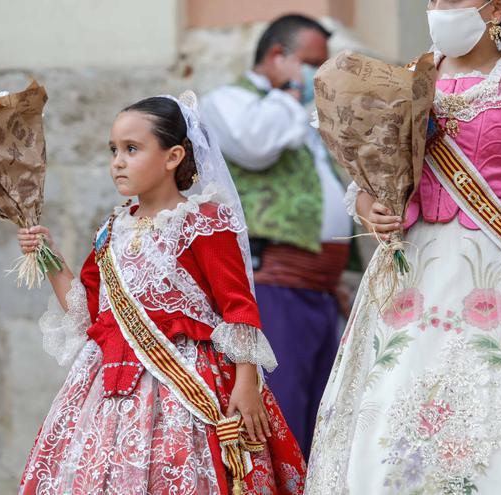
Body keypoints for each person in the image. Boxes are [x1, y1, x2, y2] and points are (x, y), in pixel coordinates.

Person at [304, 1, 501, 493]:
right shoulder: (407, 81)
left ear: (496, 9)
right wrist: (367, 206)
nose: (440, 9)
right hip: (413, 272)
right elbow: (377, 177)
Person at [16, 93, 306, 495]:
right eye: (113, 150)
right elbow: (90, 314)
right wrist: (48, 258)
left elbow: (238, 307)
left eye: (132, 149)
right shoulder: (111, 229)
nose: (118, 161)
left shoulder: (203, 223)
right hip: (111, 385)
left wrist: (246, 383)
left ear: (172, 157)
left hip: (186, 386)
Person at [200, 14, 353, 461]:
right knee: (278, 421)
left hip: (321, 292)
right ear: (277, 56)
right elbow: (255, 144)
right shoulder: (227, 100)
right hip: (270, 287)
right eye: (311, 63)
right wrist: (289, 92)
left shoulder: (304, 108)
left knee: (323, 424)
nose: (318, 76)